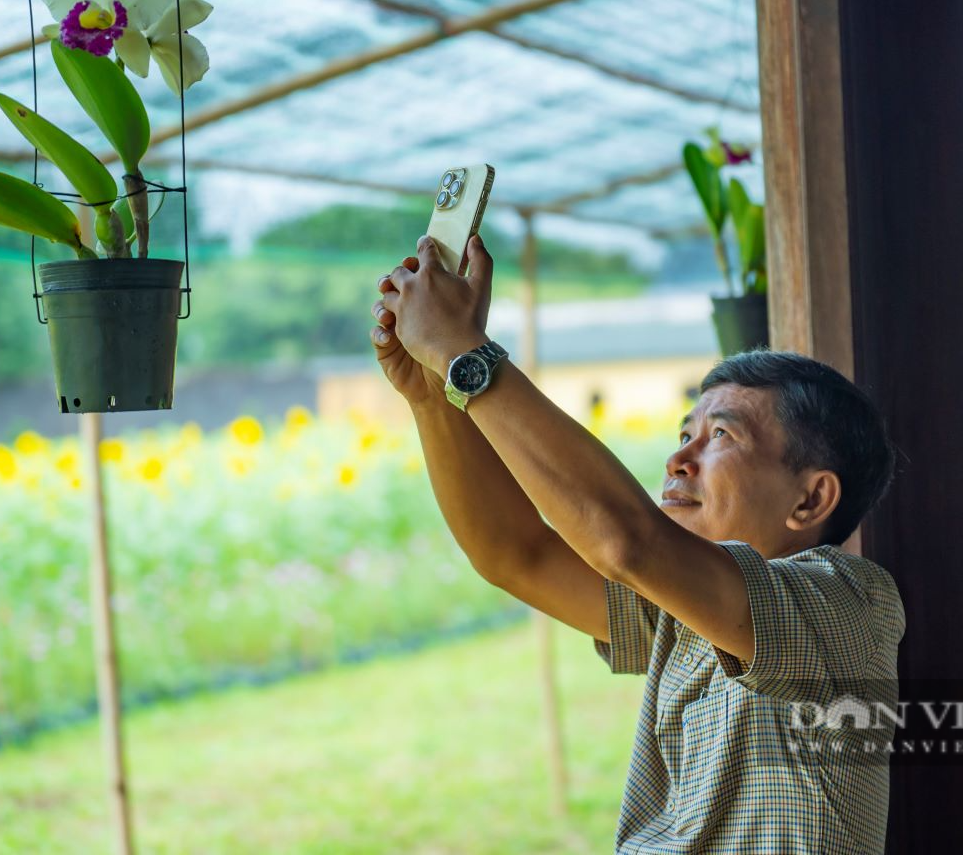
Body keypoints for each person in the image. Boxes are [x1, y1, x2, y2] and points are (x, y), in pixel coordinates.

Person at [371, 234, 906, 853]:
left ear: (810, 500)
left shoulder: (851, 603)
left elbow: (626, 541)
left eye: (722, 437)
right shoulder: (678, 611)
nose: (679, 458)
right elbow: (514, 553)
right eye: (687, 432)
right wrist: (434, 396)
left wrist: (466, 353)